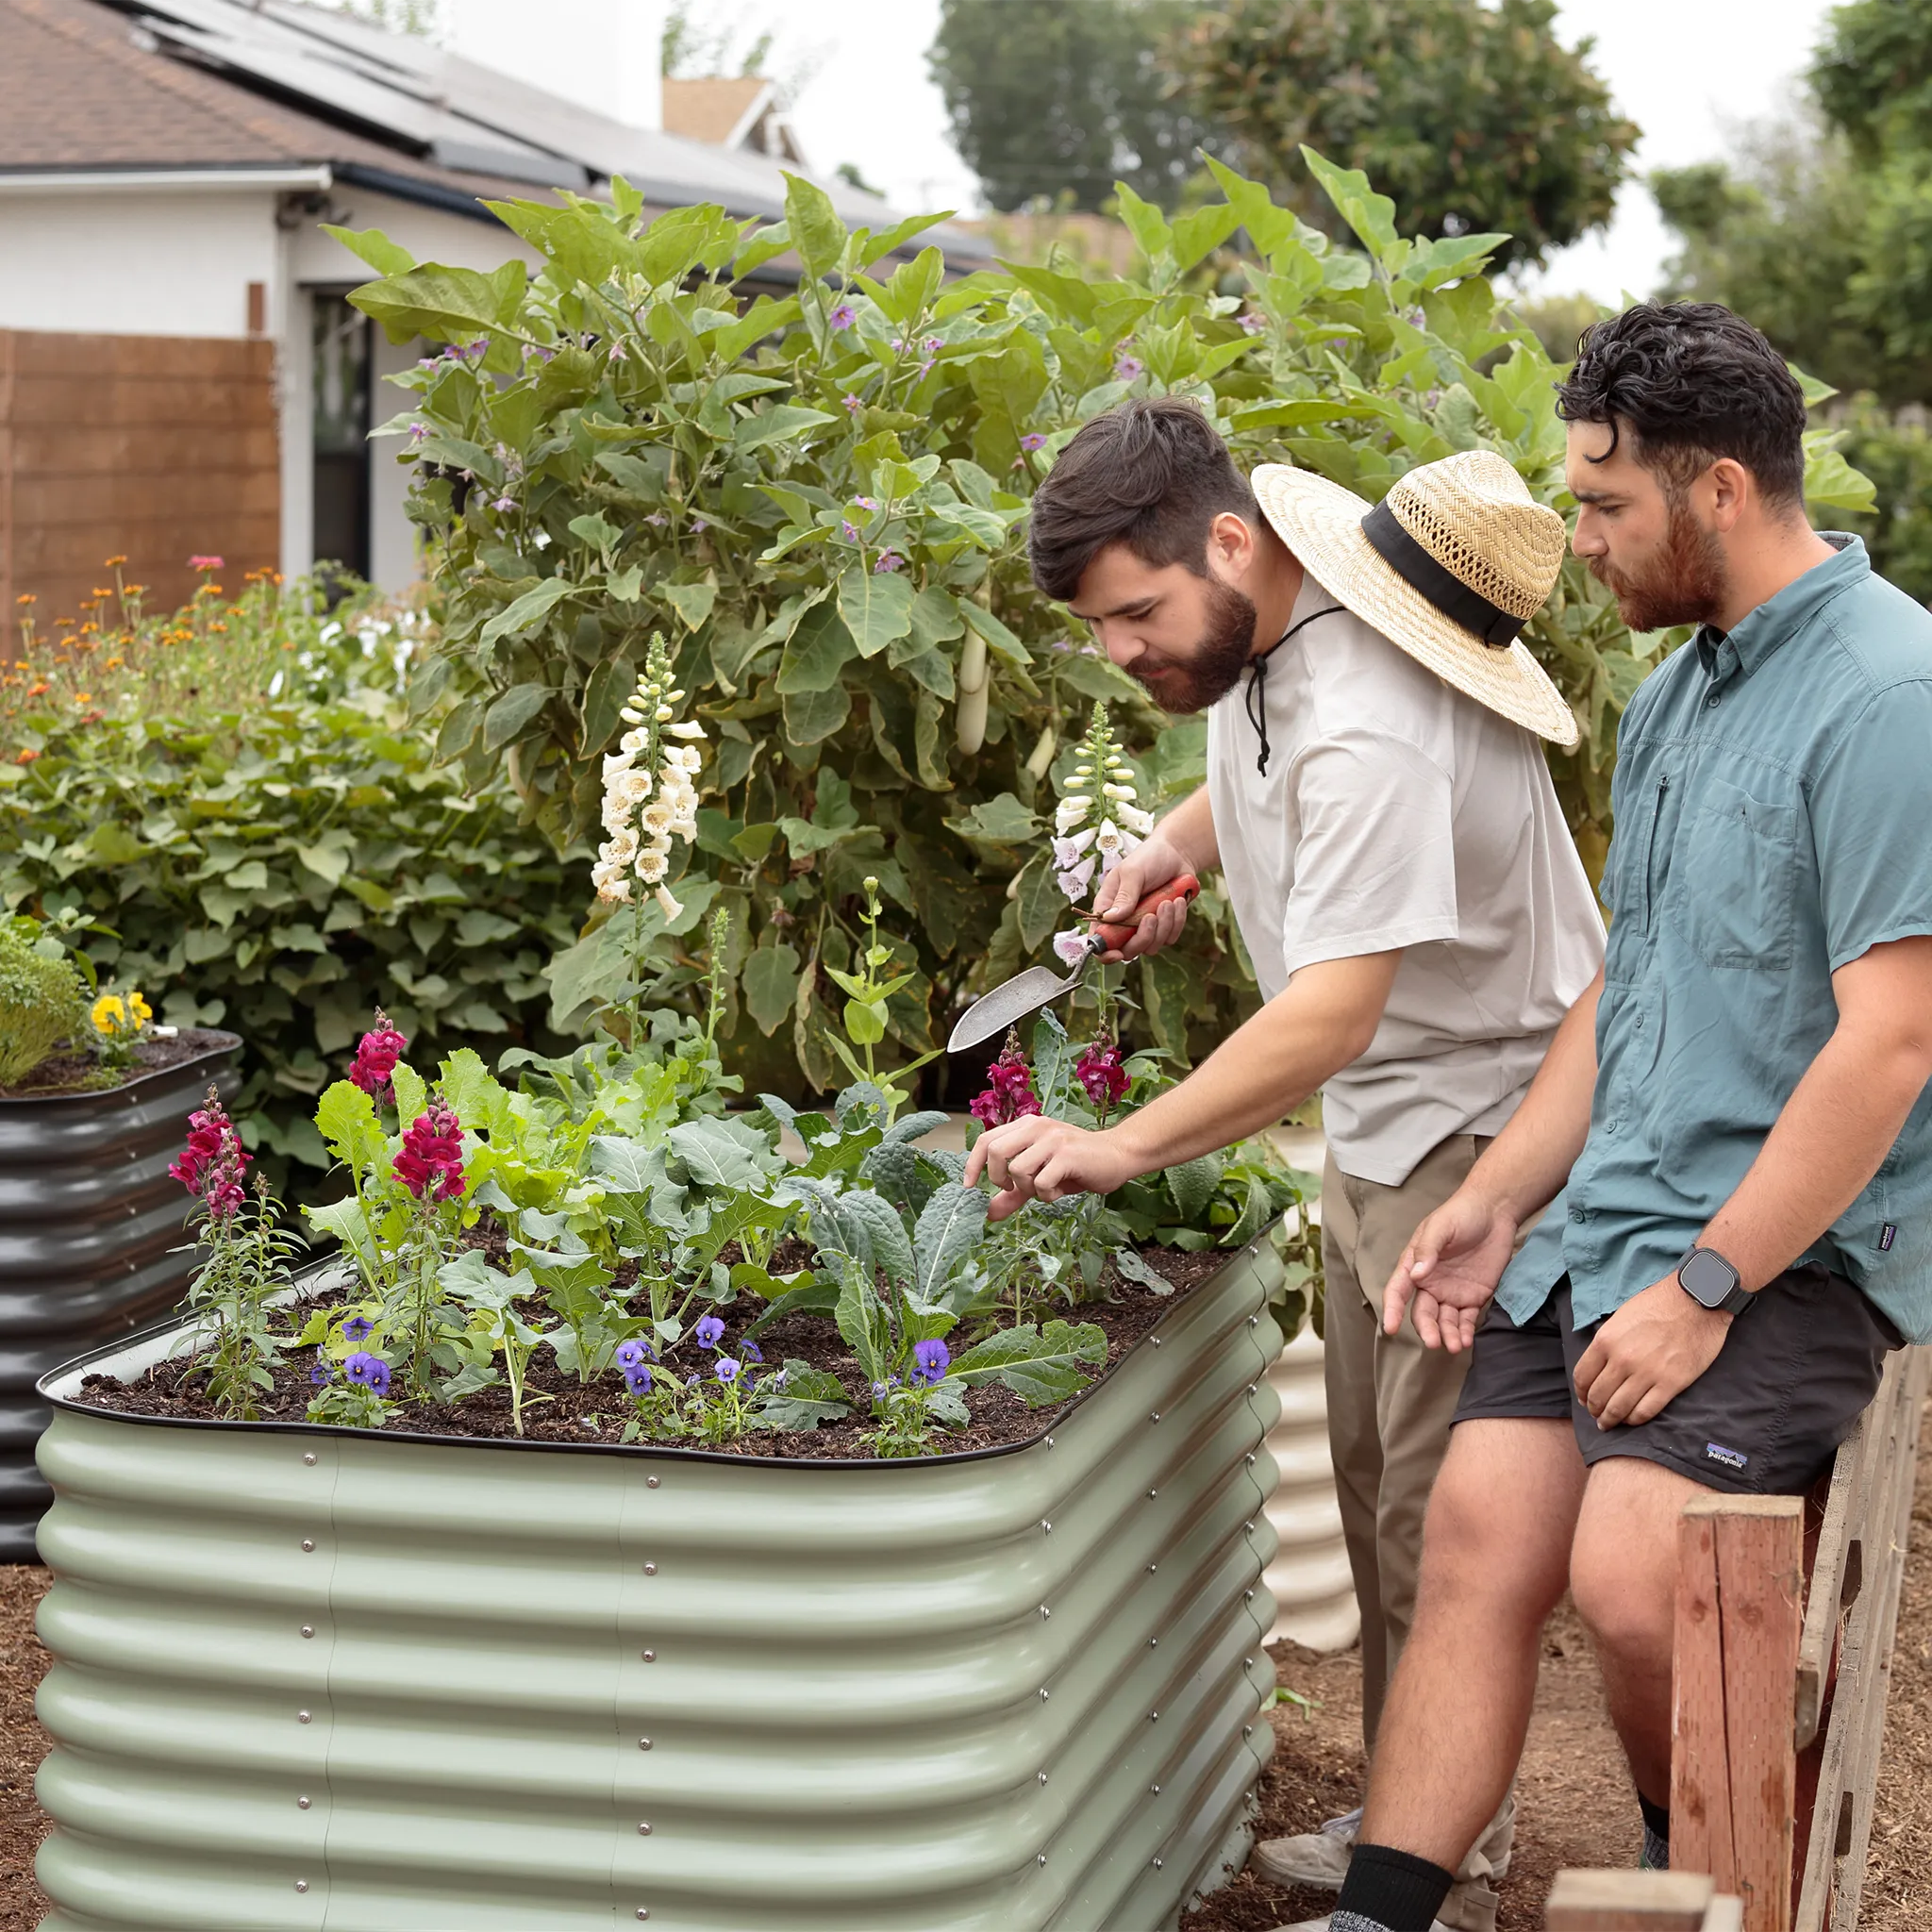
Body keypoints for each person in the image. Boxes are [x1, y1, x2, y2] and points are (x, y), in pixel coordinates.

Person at [1309, 300, 1932, 1932]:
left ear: (1718, 490)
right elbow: (1625, 994)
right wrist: (1504, 1193)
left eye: (1601, 504)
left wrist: (1705, 1288)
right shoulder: (1675, 702)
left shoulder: (1889, 699)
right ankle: (1381, 1915)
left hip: (1783, 1251)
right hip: (1607, 1222)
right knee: (1478, 1537)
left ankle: (1696, 1863)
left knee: (1638, 1576)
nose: (1577, 541)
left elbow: (1891, 1044)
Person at [962, 398, 1606, 1932]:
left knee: (1439, 1519)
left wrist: (1121, 1142)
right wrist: (1170, 851)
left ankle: (1439, 1871)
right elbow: (1256, 778)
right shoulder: (1262, 637)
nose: (1121, 648)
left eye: (1135, 612)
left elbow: (1331, 1011)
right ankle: (1422, 1811)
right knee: (1380, 1481)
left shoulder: (1374, 718)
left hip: (1481, 1128)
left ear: (1232, 543)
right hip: (1394, 1119)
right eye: (1099, 625)